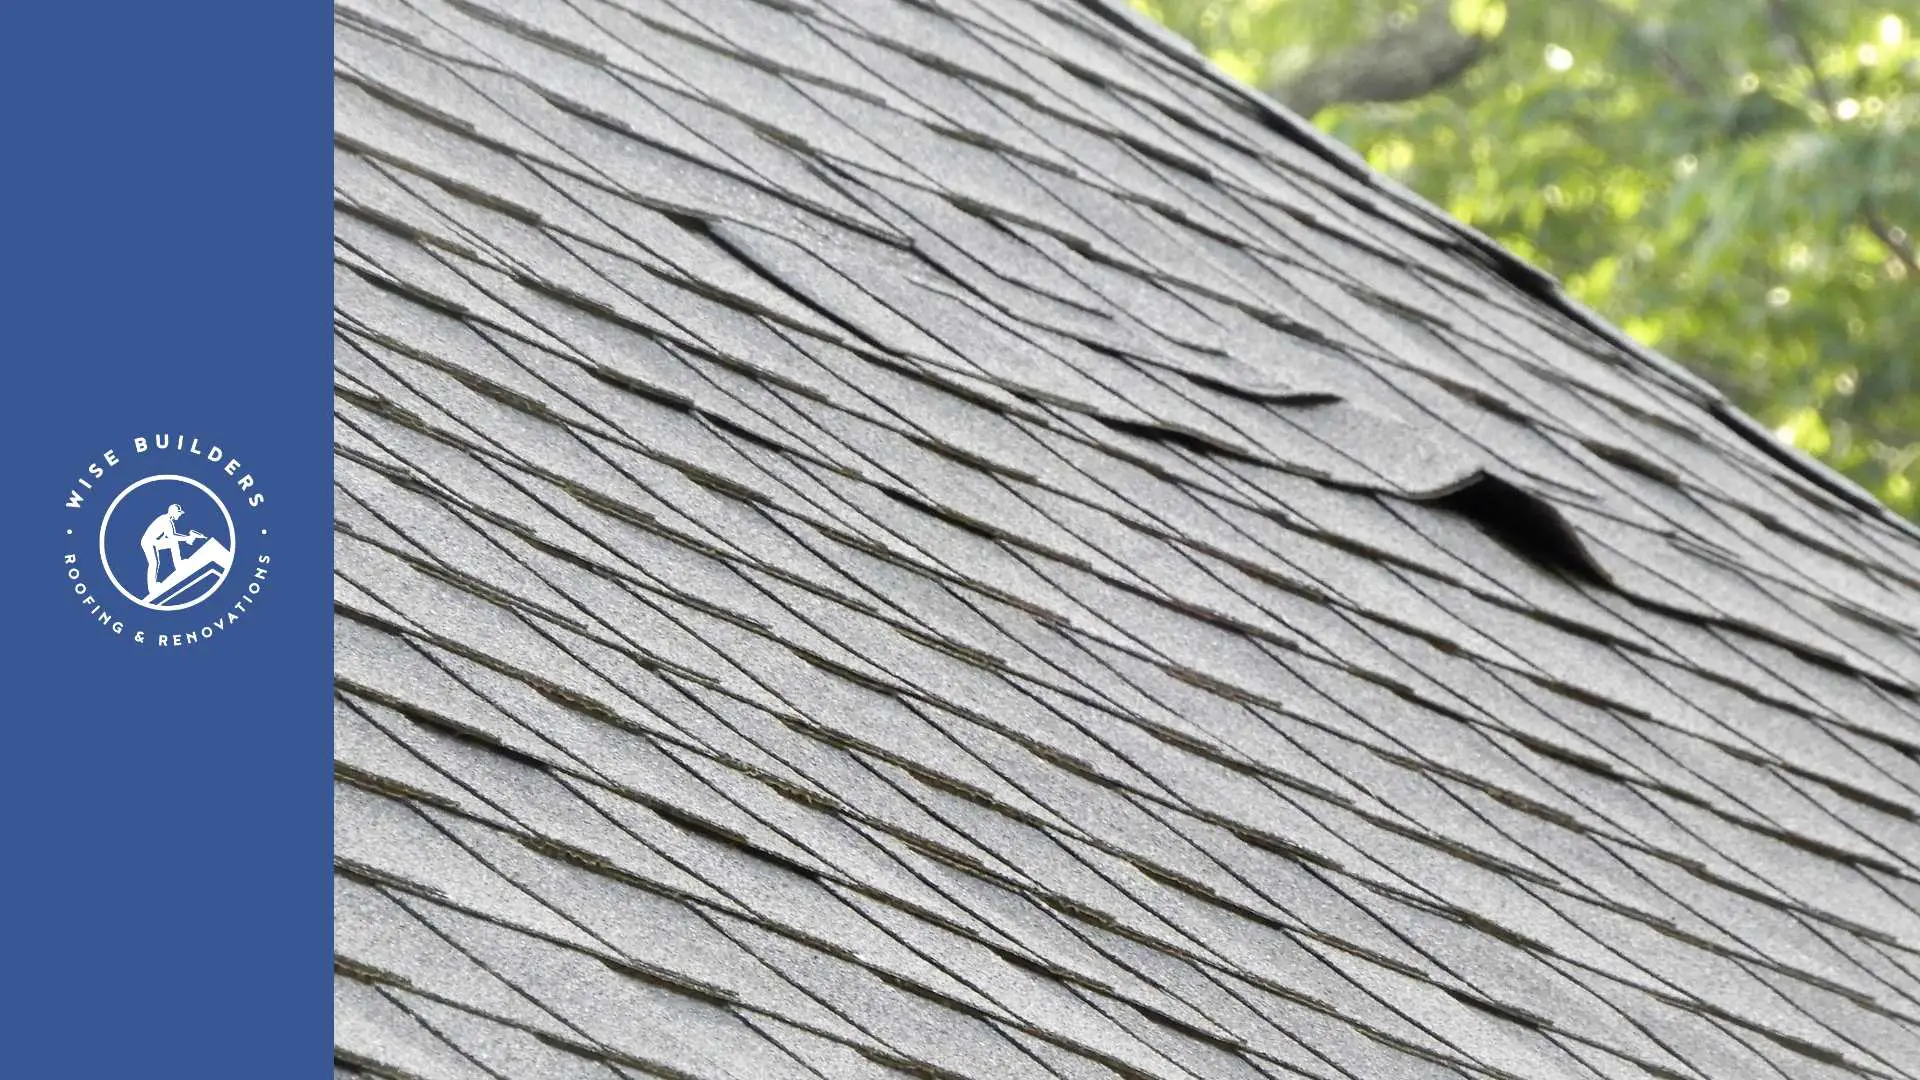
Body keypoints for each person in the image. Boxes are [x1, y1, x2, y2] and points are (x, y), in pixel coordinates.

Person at [141, 503, 205, 595]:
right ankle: (152, 588)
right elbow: (172, 536)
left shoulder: (167, 519)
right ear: (173, 512)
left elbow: (170, 537)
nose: (180, 515)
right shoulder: (165, 521)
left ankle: (179, 564)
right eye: (178, 513)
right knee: (154, 562)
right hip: (149, 542)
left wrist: (187, 538)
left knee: (172, 543)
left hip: (155, 541)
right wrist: (187, 538)